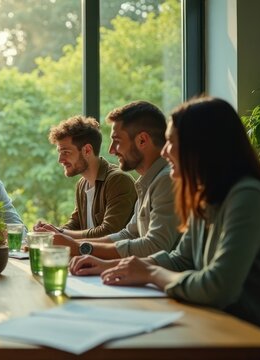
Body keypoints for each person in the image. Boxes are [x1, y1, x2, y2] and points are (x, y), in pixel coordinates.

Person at [71, 97, 260, 330]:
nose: (164, 152)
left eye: (171, 141)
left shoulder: (247, 196)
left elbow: (217, 286)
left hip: (250, 336)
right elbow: (181, 259)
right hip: (215, 325)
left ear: (200, 145)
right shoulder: (206, 197)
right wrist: (117, 266)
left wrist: (152, 273)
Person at [44, 101, 180, 258]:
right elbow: (128, 234)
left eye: (117, 140)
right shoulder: (147, 182)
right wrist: (61, 238)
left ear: (142, 140)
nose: (111, 149)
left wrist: (80, 248)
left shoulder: (166, 180)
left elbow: (154, 246)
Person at [35, 115, 136, 238]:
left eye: (65, 152)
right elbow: (75, 224)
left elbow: (109, 232)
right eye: (60, 153)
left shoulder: (118, 180)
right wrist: (49, 232)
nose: (60, 160)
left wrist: (59, 233)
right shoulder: (82, 184)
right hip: (87, 257)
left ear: (87, 150)